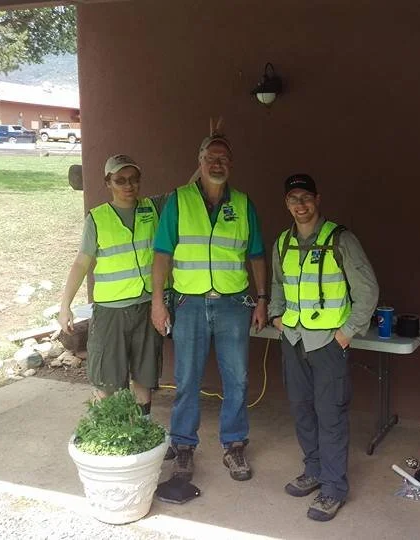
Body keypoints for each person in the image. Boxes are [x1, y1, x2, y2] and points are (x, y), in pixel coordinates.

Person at [150, 130, 268, 483]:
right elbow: (162, 254)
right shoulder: (179, 200)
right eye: (210, 158)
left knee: (238, 378)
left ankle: (234, 445)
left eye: (223, 158)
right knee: (186, 379)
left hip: (234, 303)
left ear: (231, 164)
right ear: (199, 162)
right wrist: (158, 302)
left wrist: (262, 299)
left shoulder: (244, 204)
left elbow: (257, 255)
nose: (217, 164)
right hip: (189, 303)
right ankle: (184, 445)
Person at [268, 173, 379, 521]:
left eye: (306, 198)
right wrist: (276, 317)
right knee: (302, 410)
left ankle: (333, 488)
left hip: (328, 343)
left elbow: (368, 290)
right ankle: (313, 470)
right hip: (294, 340)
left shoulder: (340, 239)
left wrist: (347, 332)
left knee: (330, 415)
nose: (300, 205)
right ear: (286, 204)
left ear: (317, 199)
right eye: (293, 199)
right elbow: (277, 285)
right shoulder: (283, 242)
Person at [58, 155, 169, 413]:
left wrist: (206, 157)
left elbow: (187, 192)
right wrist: (65, 306)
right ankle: (104, 430)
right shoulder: (97, 218)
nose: (128, 185)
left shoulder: (152, 208)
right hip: (111, 311)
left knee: (144, 376)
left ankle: (142, 426)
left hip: (146, 307)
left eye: (133, 179)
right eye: (120, 180)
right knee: (106, 379)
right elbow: (81, 263)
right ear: (108, 183)